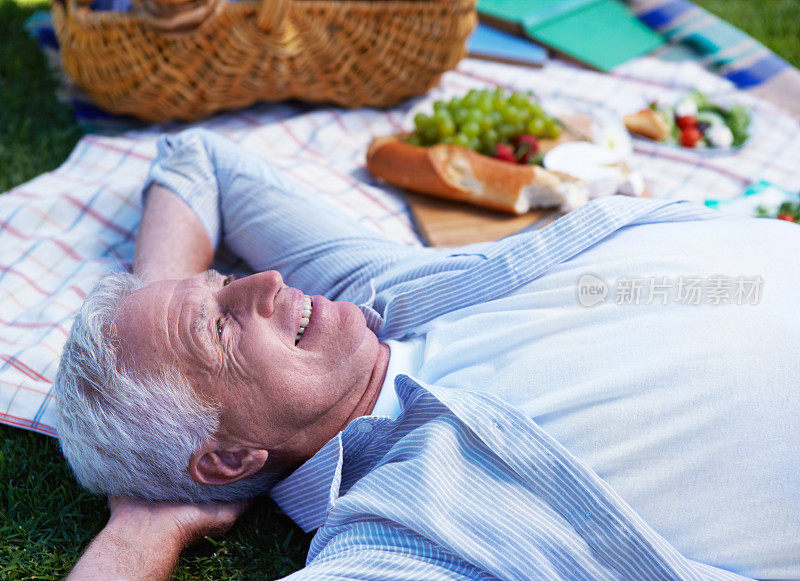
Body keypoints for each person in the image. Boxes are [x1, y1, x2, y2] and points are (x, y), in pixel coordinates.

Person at [57, 129, 800, 580]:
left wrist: (165, 306)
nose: (268, 282)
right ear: (225, 459)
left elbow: (199, 159)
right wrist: (145, 523)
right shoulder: (403, 533)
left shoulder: (379, 294)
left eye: (225, 281)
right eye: (221, 324)